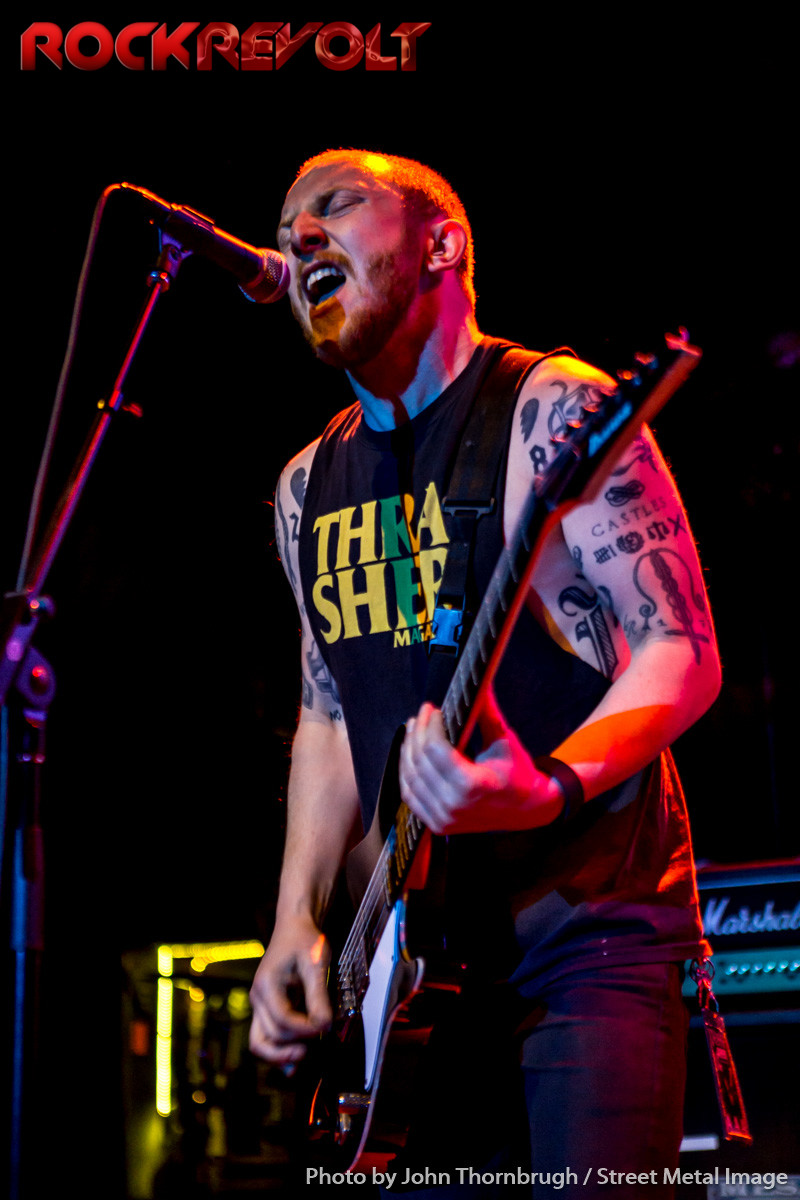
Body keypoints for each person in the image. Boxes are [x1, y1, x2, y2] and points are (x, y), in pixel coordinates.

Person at [248, 149, 721, 1196]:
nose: (299, 236)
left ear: (441, 245)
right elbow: (326, 713)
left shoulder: (552, 409)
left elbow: (680, 650)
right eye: (286, 229)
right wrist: (295, 920)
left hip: (586, 930)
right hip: (418, 962)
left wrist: (546, 787)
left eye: (336, 206)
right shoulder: (305, 485)